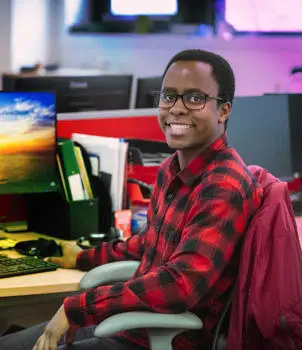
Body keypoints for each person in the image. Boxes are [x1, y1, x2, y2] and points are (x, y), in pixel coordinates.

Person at [0, 49, 263, 350]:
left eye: (194, 98)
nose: (176, 108)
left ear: (224, 110)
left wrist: (78, 307)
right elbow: (149, 244)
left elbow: (181, 285)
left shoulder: (222, 186)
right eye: (169, 96)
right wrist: (82, 256)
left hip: (164, 339)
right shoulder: (172, 170)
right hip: (131, 325)